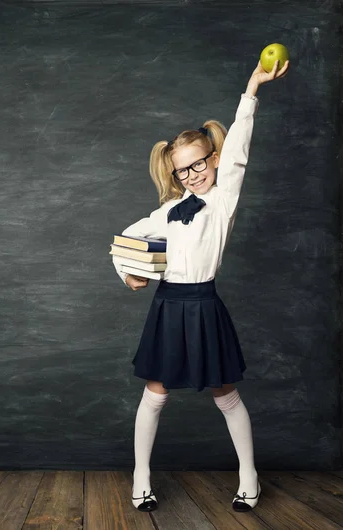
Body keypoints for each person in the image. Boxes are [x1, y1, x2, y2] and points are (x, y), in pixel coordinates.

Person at [112, 58, 289, 513]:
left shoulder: (223, 197)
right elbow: (124, 242)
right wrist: (129, 274)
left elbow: (240, 149)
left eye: (199, 165)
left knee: (226, 395)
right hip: (168, 305)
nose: (192, 175)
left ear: (213, 157)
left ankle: (249, 479)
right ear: (174, 174)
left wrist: (252, 88)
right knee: (155, 394)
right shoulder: (168, 211)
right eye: (182, 171)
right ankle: (141, 479)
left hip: (204, 303)